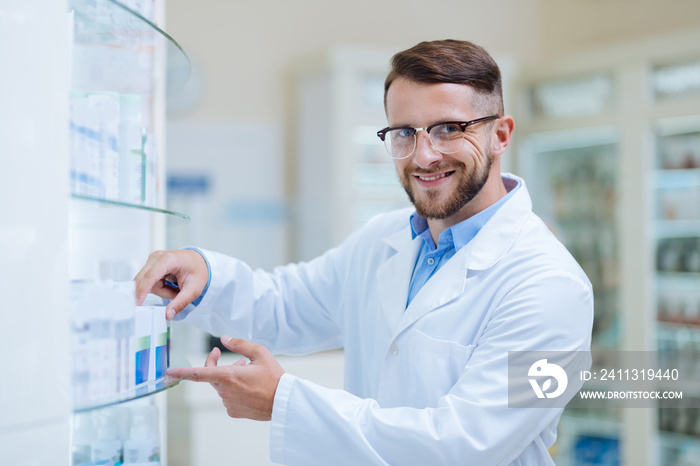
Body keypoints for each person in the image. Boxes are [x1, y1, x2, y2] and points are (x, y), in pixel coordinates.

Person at [135, 39, 593, 465]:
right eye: (404, 133)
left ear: (501, 134)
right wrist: (204, 277)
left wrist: (287, 402)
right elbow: (285, 305)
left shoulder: (550, 287)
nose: (424, 155)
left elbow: (464, 444)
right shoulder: (383, 240)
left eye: (450, 128)